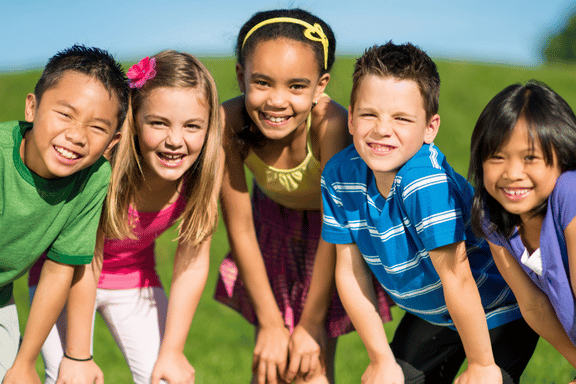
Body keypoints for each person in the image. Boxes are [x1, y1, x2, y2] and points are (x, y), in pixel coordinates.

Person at [321, 41, 540, 384]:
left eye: (401, 118)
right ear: (350, 117)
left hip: (494, 311)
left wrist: (482, 365)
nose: (381, 129)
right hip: (432, 314)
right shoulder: (338, 175)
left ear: (429, 129)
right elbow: (350, 273)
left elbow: (457, 275)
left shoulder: (424, 181)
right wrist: (381, 360)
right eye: (369, 114)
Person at [213, 8, 393, 384]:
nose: (277, 101)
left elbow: (336, 227)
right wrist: (269, 323)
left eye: (296, 86)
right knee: (271, 362)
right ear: (240, 75)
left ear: (320, 84)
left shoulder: (329, 127)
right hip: (268, 233)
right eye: (262, 82)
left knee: (309, 366)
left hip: (331, 242)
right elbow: (240, 226)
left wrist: (311, 323)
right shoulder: (227, 123)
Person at [29, 50, 222, 384]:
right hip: (66, 276)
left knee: (167, 378)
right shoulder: (107, 165)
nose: (175, 140)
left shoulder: (205, 167)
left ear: (208, 128)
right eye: (158, 123)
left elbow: (193, 260)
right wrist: (78, 357)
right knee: (70, 378)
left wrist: (172, 351)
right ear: (135, 120)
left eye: (192, 126)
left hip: (135, 281)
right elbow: (83, 258)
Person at [0, 44, 129, 384]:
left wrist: (25, 363)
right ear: (32, 107)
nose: (76, 135)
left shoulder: (94, 178)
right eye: (65, 114)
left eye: (97, 127)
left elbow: (59, 270)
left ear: (112, 143)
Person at [468, 80, 576, 377]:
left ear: (563, 157)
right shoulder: (492, 217)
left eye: (530, 158)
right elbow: (534, 305)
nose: (512, 173)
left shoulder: (571, 193)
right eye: (497, 156)